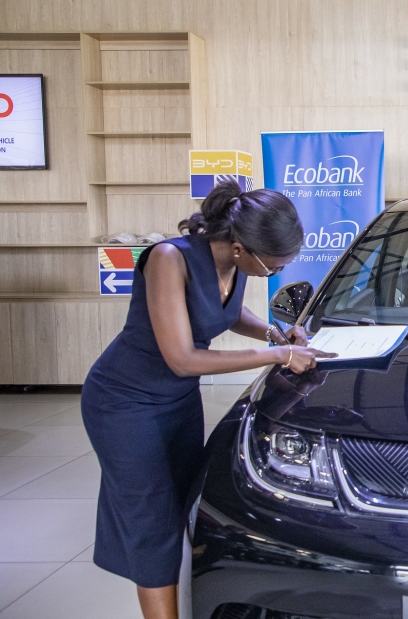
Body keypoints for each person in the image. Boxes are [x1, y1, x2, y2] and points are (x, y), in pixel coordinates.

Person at [81, 181, 335, 619]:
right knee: (153, 521)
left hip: (177, 400)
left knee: (181, 505)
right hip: (125, 401)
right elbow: (181, 358)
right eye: (276, 264)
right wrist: (278, 354)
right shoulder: (168, 259)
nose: (279, 270)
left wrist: (276, 333)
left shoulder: (232, 264)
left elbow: (230, 313)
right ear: (241, 248)